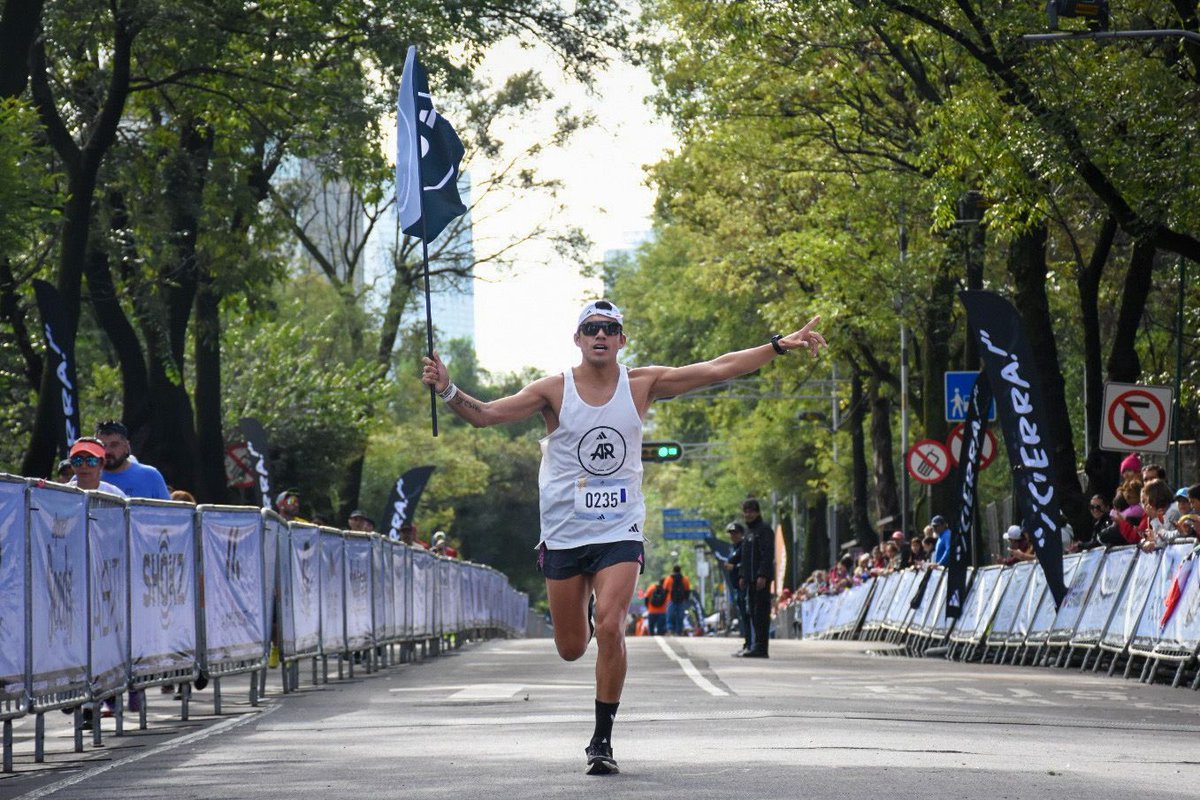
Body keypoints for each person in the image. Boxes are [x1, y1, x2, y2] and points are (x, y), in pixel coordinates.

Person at [420, 299, 826, 774]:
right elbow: (486, 414)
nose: (600, 335)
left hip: (620, 528)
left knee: (612, 626)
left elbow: (716, 368)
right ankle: (588, 616)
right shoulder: (554, 390)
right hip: (564, 533)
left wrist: (777, 346)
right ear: (577, 338)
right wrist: (448, 389)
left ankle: (601, 741)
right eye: (591, 327)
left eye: (609, 328)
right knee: (572, 648)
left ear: (621, 340)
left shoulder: (642, 384)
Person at [737, 498, 776, 659]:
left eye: (751, 511)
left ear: (758, 512)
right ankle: (754, 644)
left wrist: (763, 575)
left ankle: (761, 647)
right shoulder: (748, 533)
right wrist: (742, 576)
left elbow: (767, 555)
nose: (748, 514)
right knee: (752, 612)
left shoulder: (764, 530)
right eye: (746, 511)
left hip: (760, 580)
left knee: (761, 613)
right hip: (750, 580)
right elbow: (745, 557)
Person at [95, 420, 170, 499]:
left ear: (126, 447)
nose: (107, 451)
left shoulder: (151, 476)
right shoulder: (88, 477)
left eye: (114, 445)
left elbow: (168, 510)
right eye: (102, 446)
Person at [723, 522, 751, 653]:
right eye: (731, 533)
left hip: (743, 585)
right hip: (736, 586)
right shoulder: (733, 548)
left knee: (747, 615)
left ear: (741, 534)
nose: (733, 536)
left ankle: (750, 643)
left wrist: (735, 567)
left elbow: (747, 563)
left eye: (735, 533)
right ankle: (747, 642)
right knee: (742, 615)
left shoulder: (745, 546)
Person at [662, 565, 691, 635]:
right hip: (681, 600)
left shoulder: (669, 579)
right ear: (680, 570)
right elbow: (687, 591)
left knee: (669, 616)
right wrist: (686, 599)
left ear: (673, 570)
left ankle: (670, 629)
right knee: (680, 616)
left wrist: (664, 600)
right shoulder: (685, 579)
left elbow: (665, 590)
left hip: (670, 600)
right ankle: (679, 630)